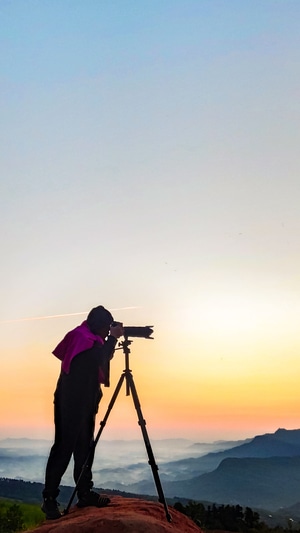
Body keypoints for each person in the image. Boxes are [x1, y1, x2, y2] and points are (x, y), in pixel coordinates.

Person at [41, 305, 124, 520]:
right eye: (107, 327)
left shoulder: (89, 338)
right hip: (70, 402)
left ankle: (84, 492)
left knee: (85, 447)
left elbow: (100, 358)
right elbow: (99, 358)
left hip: (86, 399)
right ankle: (49, 499)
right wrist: (113, 339)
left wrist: (110, 340)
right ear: (98, 324)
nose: (108, 331)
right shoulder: (82, 337)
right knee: (63, 448)